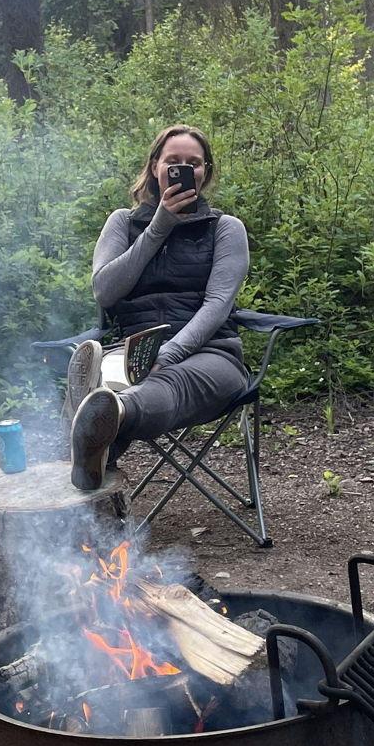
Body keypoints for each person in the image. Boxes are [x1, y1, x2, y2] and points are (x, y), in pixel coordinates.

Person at [67, 124, 250, 492]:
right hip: (132, 348)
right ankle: (93, 453)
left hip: (212, 354)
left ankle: (112, 412)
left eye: (194, 163)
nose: (184, 168)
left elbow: (217, 304)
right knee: (119, 376)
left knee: (157, 382)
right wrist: (158, 227)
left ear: (205, 172)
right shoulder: (122, 222)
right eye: (173, 161)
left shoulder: (225, 229)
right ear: (155, 167)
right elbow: (106, 291)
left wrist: (168, 353)